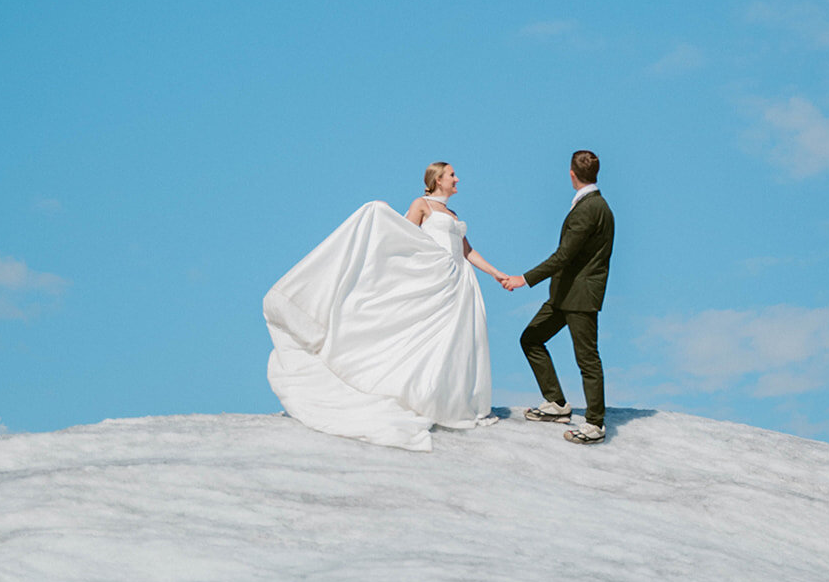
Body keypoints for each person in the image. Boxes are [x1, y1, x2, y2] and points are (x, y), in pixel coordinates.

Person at [263, 162, 509, 452]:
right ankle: (410, 394)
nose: (457, 179)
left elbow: (466, 251)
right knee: (421, 336)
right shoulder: (422, 204)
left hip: (459, 283)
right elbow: (401, 235)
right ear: (438, 179)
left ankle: (443, 400)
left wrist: (495, 273)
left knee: (452, 342)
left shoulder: (453, 215)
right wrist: (381, 213)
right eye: (452, 175)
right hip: (434, 279)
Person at [503, 149, 614, 445]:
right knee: (531, 338)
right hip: (563, 294)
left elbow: (564, 255)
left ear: (571, 173)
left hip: (580, 297)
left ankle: (595, 424)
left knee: (587, 359)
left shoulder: (592, 208)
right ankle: (556, 404)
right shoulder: (591, 204)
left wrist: (524, 279)